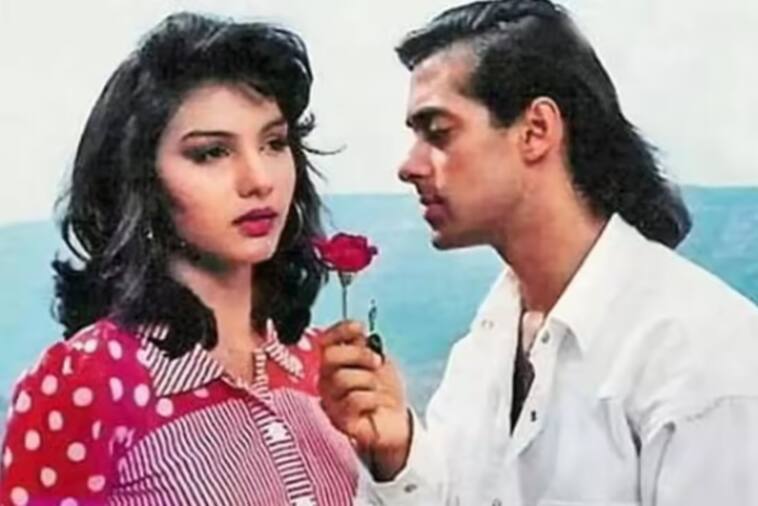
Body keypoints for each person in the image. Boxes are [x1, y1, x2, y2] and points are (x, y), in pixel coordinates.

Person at [318, 1, 758, 505]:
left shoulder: (700, 356)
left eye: (438, 133)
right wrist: (396, 456)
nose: (409, 166)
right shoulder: (485, 346)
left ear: (536, 131)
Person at [0, 12, 359, 505]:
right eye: (211, 153)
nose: (259, 179)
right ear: (142, 180)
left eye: (274, 143)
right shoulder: (90, 379)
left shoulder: (320, 363)